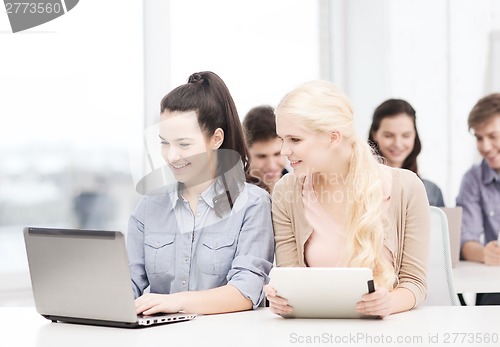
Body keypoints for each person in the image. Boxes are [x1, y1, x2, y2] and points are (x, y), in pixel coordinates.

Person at [264, 81, 430, 318]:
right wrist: (284, 301)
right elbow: (292, 278)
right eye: (282, 139)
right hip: (315, 330)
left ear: (333, 137)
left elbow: (415, 283)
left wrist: (388, 304)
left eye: (295, 140)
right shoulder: (286, 192)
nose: (284, 151)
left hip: (388, 331)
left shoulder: (407, 187)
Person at [127, 71, 274, 315]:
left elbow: (246, 290)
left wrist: (178, 302)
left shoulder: (252, 203)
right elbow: (128, 283)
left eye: (184, 144)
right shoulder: (149, 206)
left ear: (216, 138)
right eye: (165, 142)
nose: (172, 156)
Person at [456, 93, 500, 305]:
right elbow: (465, 242)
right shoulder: (473, 179)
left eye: (493, 136)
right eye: (479, 138)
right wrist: (486, 253)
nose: (485, 146)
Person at [368, 99, 445, 207]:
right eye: (388, 136)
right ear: (375, 135)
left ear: (414, 135)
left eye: (406, 136)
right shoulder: (360, 187)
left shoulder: (432, 192)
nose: (398, 144)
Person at [242, 105, 288, 191]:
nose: (272, 166)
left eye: (277, 154)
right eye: (262, 156)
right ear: (246, 152)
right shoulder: (233, 196)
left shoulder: (302, 188)